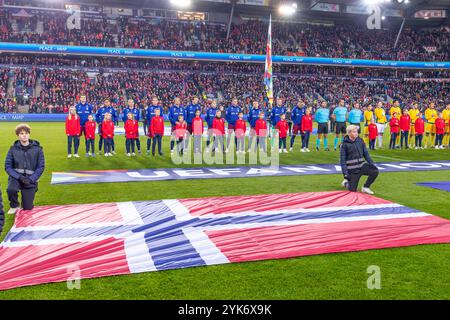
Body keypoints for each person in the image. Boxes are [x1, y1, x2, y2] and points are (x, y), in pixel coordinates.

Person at [5, 124, 45, 213]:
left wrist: (32, 179)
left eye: (26, 133)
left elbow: (41, 166)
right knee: (11, 189)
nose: (24, 135)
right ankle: (14, 205)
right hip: (16, 178)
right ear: (18, 135)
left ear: (29, 134)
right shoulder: (12, 149)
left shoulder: (38, 149)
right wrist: (19, 177)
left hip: (30, 179)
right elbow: (7, 166)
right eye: (21, 133)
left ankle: (31, 193)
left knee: (27, 208)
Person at [340, 125, 378, 194]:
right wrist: (345, 173)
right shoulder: (344, 144)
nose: (356, 133)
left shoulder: (360, 140)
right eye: (354, 132)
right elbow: (342, 160)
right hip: (352, 170)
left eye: (356, 131)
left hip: (362, 166)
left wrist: (372, 163)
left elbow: (366, 154)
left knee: (375, 171)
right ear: (349, 133)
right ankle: (346, 183)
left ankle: (365, 187)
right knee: (353, 190)